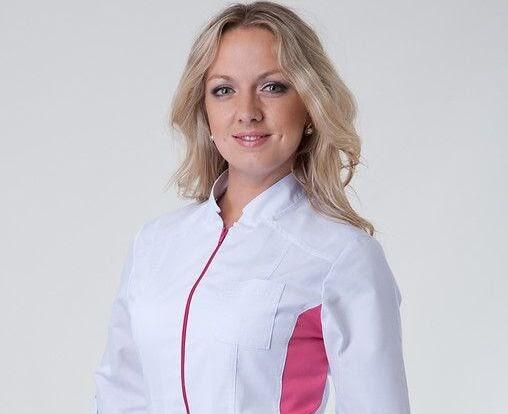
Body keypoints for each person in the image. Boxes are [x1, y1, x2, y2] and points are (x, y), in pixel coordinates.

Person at [92, 1, 411, 413]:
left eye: (272, 87)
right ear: (204, 110)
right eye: (223, 90)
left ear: (310, 105)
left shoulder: (343, 257)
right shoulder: (154, 244)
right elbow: (120, 393)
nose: (247, 112)